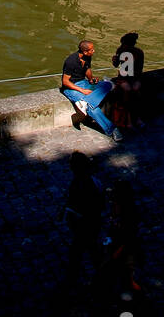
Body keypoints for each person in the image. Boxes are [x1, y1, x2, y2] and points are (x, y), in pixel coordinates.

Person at [61, 40, 122, 141]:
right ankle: (112, 130)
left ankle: (85, 102)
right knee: (92, 108)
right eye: (91, 49)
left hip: (84, 83)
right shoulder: (71, 61)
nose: (93, 51)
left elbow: (87, 69)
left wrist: (91, 79)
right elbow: (65, 82)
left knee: (108, 84)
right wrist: (82, 91)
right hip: (71, 88)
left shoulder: (87, 57)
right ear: (85, 51)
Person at [63, 152, 105, 284]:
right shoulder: (95, 182)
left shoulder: (77, 186)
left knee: (78, 252)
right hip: (94, 222)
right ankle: (102, 274)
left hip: (84, 224)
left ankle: (73, 278)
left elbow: (75, 207)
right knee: (92, 250)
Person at [101, 177, 142, 298]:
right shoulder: (120, 208)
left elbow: (128, 237)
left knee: (121, 269)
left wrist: (116, 251)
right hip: (118, 244)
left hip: (122, 247)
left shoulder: (128, 217)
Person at [110, 31, 146, 131]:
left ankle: (132, 120)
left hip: (129, 78)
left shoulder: (127, 51)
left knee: (132, 92)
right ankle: (133, 120)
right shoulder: (135, 51)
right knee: (131, 92)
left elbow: (121, 67)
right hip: (129, 78)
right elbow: (135, 69)